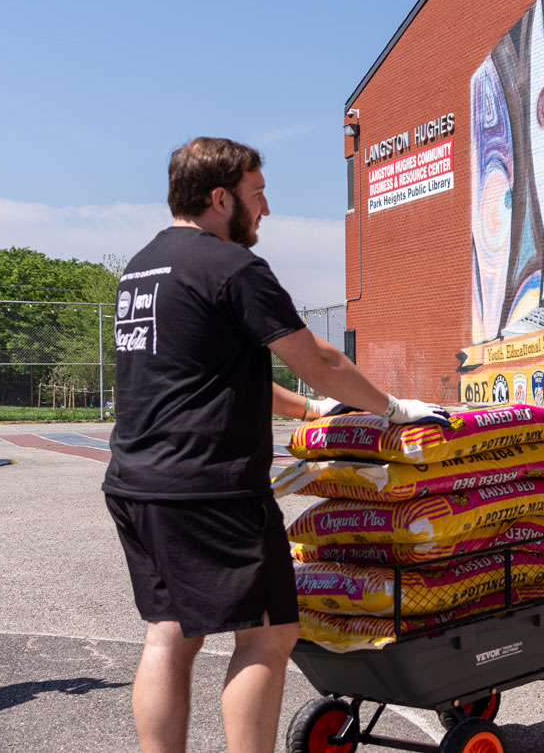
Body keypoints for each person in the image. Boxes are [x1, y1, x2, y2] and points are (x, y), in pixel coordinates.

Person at [104, 137, 448, 753]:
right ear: (220, 198)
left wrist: (311, 410)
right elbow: (315, 357)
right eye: (256, 193)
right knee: (268, 635)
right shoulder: (231, 266)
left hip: (136, 483)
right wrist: (393, 408)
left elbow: (211, 377)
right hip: (210, 489)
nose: (265, 208)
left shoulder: (142, 268)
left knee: (168, 634)